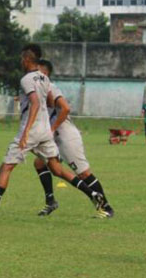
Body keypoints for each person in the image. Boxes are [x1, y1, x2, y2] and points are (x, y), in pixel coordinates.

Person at [0, 44, 105, 223]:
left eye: (21, 59)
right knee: (57, 169)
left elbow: (35, 103)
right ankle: (93, 193)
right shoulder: (44, 78)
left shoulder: (26, 79)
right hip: (45, 131)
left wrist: (26, 131)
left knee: (6, 167)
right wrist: (26, 99)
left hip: (32, 129)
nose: (20, 62)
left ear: (26, 59)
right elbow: (48, 101)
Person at [33, 59, 114, 218]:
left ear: (45, 74)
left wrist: (52, 129)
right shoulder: (37, 90)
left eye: (38, 71)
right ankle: (51, 201)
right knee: (39, 163)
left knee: (84, 173)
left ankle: (106, 208)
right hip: (52, 137)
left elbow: (66, 108)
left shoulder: (51, 88)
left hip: (65, 135)